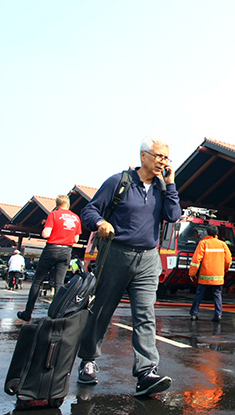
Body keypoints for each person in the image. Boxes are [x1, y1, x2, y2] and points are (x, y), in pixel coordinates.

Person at [77, 135, 181, 398]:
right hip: (116, 254)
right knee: (101, 310)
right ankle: (88, 360)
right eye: (158, 156)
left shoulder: (161, 188)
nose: (162, 162)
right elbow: (89, 211)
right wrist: (100, 223)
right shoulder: (119, 182)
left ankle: (146, 372)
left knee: (145, 315)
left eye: (166, 158)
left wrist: (171, 185)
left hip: (147, 259)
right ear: (143, 155)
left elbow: (173, 215)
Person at [17, 195, 82, 321]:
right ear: (68, 204)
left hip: (52, 248)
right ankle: (57, 314)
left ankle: (28, 312)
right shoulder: (76, 218)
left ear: (57, 205)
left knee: (37, 281)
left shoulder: (54, 214)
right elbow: (76, 239)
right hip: (66, 251)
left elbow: (45, 233)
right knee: (59, 284)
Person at [188, 225, 232, 322]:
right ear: (217, 233)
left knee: (199, 295)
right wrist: (225, 269)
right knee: (217, 295)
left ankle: (194, 314)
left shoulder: (203, 243)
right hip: (218, 276)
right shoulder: (223, 244)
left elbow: (196, 260)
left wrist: (192, 273)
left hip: (205, 276)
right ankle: (218, 315)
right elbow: (228, 260)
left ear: (207, 233)